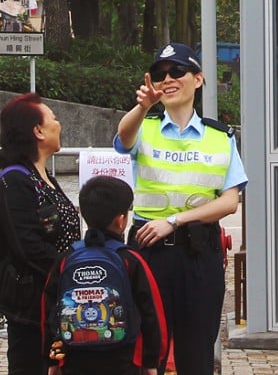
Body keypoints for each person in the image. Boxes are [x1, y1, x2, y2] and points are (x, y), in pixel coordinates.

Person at [114, 43, 248, 375]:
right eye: (160, 74)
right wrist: (143, 107)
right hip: (149, 251)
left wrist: (174, 220)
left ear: (198, 79)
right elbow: (123, 138)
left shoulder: (220, 136)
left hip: (199, 253)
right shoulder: (144, 125)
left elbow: (229, 202)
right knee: (147, 351)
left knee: (197, 352)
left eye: (177, 71)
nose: (168, 79)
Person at [42, 175, 168, 375]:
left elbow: (49, 311)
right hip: (124, 361)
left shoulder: (67, 258)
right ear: (121, 221)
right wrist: (151, 361)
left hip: (75, 360)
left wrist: (51, 359)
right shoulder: (130, 259)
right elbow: (152, 313)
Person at [0, 93, 81, 375]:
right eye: (53, 119)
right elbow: (27, 247)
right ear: (38, 131)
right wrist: (72, 270)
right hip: (32, 307)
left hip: (58, 298)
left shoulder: (43, 176)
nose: (59, 124)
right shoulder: (14, 179)